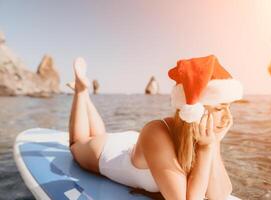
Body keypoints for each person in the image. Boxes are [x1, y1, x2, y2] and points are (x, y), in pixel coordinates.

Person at [67, 55, 243, 200]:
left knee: (99, 133)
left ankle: (86, 95)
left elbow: (220, 195)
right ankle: (81, 92)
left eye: (230, 107)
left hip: (140, 147)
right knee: (77, 143)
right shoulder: (156, 131)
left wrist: (215, 144)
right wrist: (206, 149)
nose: (229, 118)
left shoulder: (201, 136)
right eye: (220, 108)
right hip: (107, 152)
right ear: (195, 110)